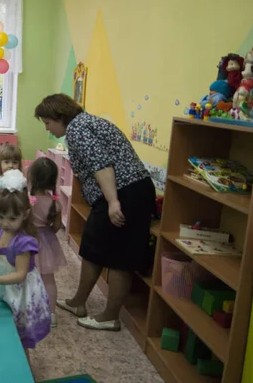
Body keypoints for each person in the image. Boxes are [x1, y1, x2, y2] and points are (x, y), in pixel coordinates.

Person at [34, 93, 155, 331]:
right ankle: (78, 302)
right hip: (115, 193)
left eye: (48, 122)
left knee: (121, 256)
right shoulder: (82, 125)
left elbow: (102, 166)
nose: (48, 128)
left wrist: (113, 202)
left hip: (125, 193)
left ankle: (110, 316)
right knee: (92, 245)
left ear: (60, 117)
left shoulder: (79, 128)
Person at [0, 169, 51, 361]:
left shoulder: (23, 243)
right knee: (7, 329)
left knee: (19, 338)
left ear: (25, 214)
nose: (5, 223)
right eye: (0, 216)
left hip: (22, 292)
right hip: (7, 288)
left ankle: (22, 369)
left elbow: (20, 275)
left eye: (12, 218)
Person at [28, 157, 67, 328]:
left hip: (28, 242)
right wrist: (47, 233)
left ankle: (28, 310)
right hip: (46, 242)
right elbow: (57, 226)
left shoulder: (28, 200)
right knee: (48, 280)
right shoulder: (55, 203)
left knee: (26, 277)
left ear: (32, 177)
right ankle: (51, 314)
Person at [0, 144, 23, 208]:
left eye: (15, 162)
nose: (11, 165)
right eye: (6, 162)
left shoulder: (21, 181)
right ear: (0, 164)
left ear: (19, 165)